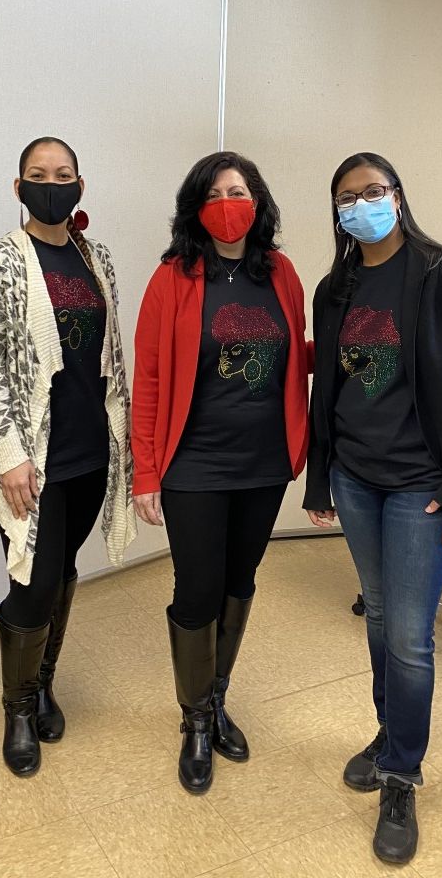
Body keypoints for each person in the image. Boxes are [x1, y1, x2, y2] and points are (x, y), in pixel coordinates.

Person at [303, 152, 442, 865]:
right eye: (348, 196)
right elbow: (331, 388)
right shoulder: (336, 287)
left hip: (424, 486)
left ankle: (401, 776)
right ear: (337, 212)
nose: (363, 204)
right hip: (358, 477)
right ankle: (389, 737)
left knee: (411, 635)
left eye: (374, 191)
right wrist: (322, 477)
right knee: (380, 616)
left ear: (398, 196)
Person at [132, 151, 310, 795]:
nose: (229, 203)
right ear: (197, 208)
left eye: (239, 191)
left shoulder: (282, 273)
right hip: (194, 464)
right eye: (216, 193)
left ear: (258, 202)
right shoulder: (173, 278)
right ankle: (195, 720)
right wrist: (145, 472)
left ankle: (216, 698)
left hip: (263, 464)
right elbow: (149, 377)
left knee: (240, 580)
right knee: (197, 589)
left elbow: (293, 353)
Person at [0, 136, 136, 777]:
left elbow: (111, 358)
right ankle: (15, 707)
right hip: (31, 457)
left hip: (90, 451)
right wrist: (11, 455)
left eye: (63, 175)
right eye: (38, 175)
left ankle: (42, 684)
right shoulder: (0, 261)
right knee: (30, 586)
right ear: (18, 188)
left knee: (62, 575)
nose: (51, 184)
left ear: (80, 186)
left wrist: (126, 437)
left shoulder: (98, 258)